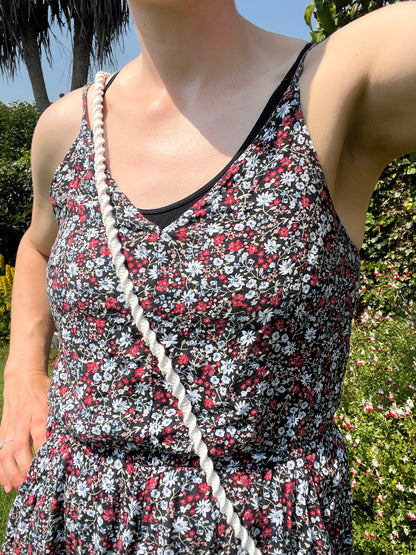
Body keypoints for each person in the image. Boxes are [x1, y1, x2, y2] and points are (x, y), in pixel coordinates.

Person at [0, 1, 415, 553]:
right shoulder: (65, 129)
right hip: (67, 520)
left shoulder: (336, 85)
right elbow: (37, 243)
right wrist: (24, 367)